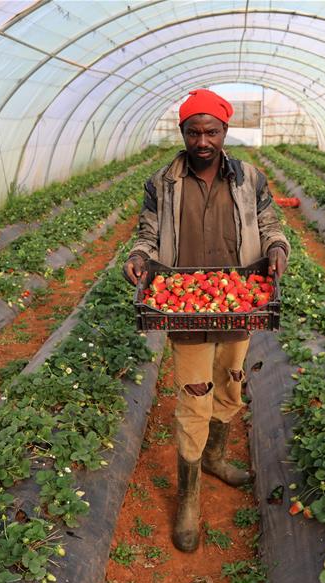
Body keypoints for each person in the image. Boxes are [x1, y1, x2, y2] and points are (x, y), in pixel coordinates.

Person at [122, 89, 289, 553]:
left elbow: (272, 224)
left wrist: (276, 249)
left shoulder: (250, 178)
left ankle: (215, 457)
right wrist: (138, 257)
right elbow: (148, 233)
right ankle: (189, 498)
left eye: (211, 131)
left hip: (239, 302)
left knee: (231, 383)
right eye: (193, 131)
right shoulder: (164, 182)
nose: (202, 141)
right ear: (182, 133)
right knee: (195, 396)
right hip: (186, 305)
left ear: (224, 132)